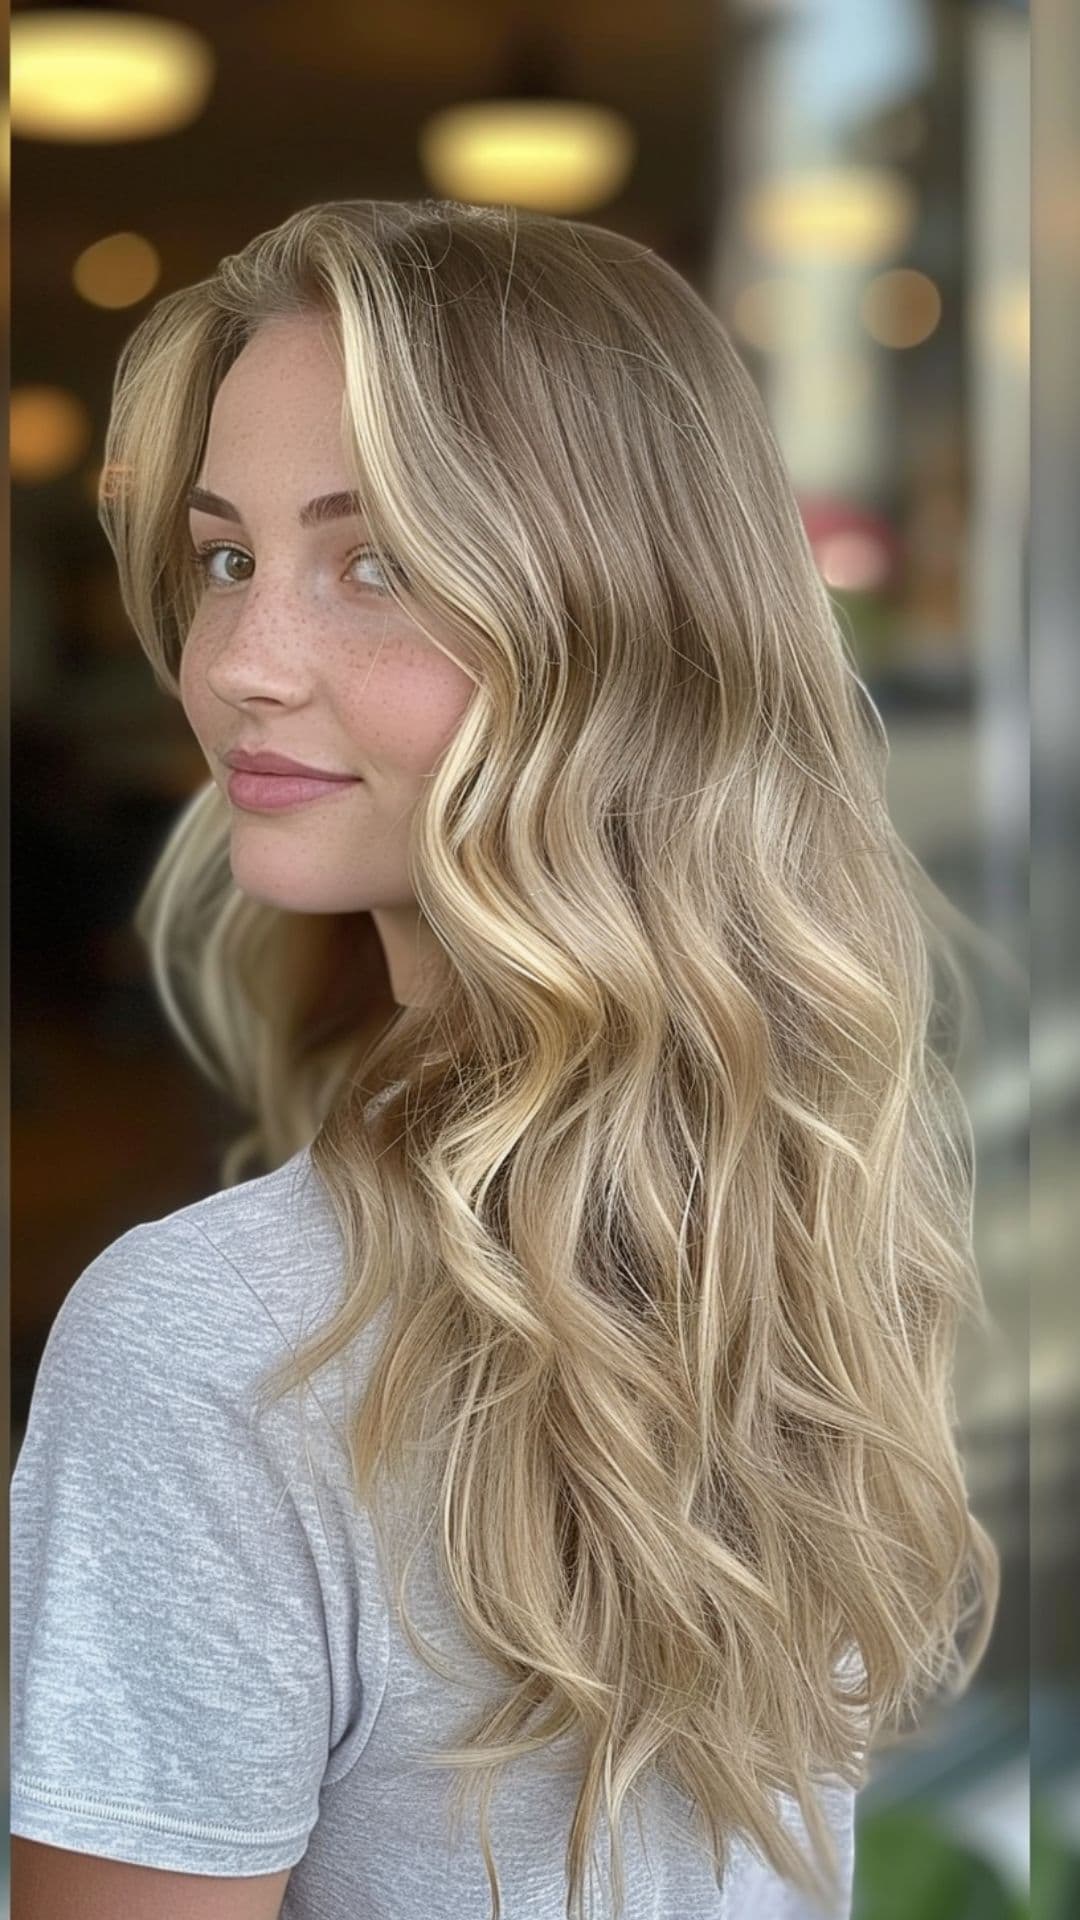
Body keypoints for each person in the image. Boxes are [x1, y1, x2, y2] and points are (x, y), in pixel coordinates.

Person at [10, 197, 1000, 1920]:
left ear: (617, 635)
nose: (236, 661)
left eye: (376, 558)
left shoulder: (210, 1349)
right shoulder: (816, 1222)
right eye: (227, 556)